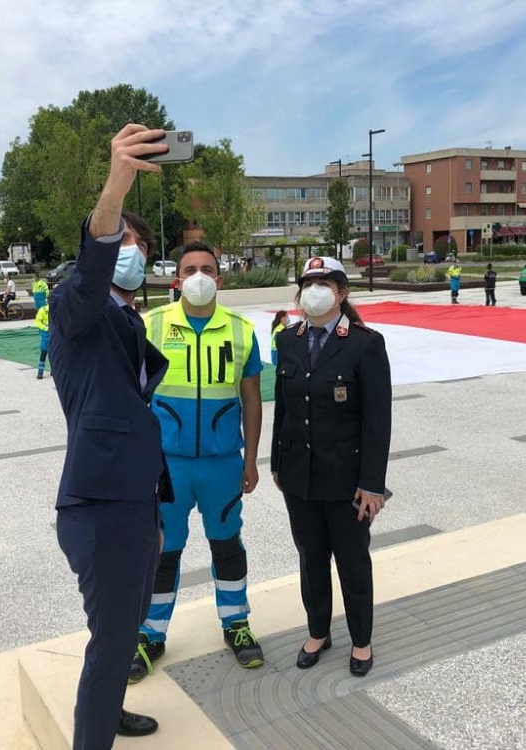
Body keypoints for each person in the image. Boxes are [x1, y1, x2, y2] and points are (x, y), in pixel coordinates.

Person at [47, 123, 173, 748]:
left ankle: (109, 710)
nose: (132, 249)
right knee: (112, 638)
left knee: (123, 631)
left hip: (131, 504)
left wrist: (153, 503)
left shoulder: (129, 323)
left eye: (139, 244)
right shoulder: (77, 310)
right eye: (123, 238)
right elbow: (90, 271)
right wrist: (116, 186)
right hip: (100, 508)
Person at [130, 241, 265, 684]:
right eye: (190, 269)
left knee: (227, 545)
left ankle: (236, 624)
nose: (199, 276)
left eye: (207, 268)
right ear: (176, 279)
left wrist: (252, 458)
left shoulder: (241, 330)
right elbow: (131, 396)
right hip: (165, 465)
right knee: (163, 551)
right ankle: (150, 634)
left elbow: (251, 398)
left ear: (220, 279)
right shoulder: (150, 325)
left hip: (223, 462)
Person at [272, 256, 392, 678]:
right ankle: (318, 631)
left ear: (341, 292)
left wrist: (372, 485)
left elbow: (377, 421)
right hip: (299, 475)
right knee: (311, 557)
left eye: (324, 283)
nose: (315, 290)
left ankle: (361, 639)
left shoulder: (364, 343)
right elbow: (283, 408)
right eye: (308, 282)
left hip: (346, 481)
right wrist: (277, 463)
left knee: (352, 560)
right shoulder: (288, 340)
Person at [34, 302, 50, 379]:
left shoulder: (42, 309)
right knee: (44, 352)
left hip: (53, 334)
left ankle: (52, 370)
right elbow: (37, 322)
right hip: (46, 334)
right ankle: (40, 371)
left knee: (51, 353)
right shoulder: (43, 310)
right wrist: (46, 328)